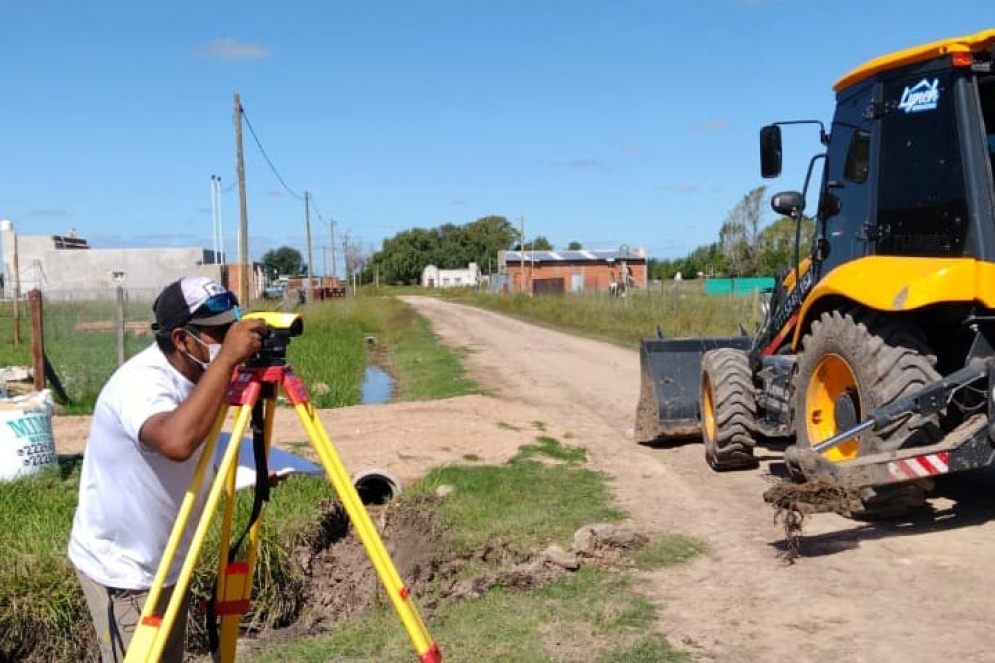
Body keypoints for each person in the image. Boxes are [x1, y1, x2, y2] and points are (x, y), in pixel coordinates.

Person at [68, 276, 268, 662]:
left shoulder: (202, 374)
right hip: (125, 570)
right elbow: (177, 442)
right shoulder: (141, 383)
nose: (231, 339)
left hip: (169, 561)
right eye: (220, 333)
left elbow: (206, 439)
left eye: (234, 327)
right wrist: (227, 359)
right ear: (181, 339)